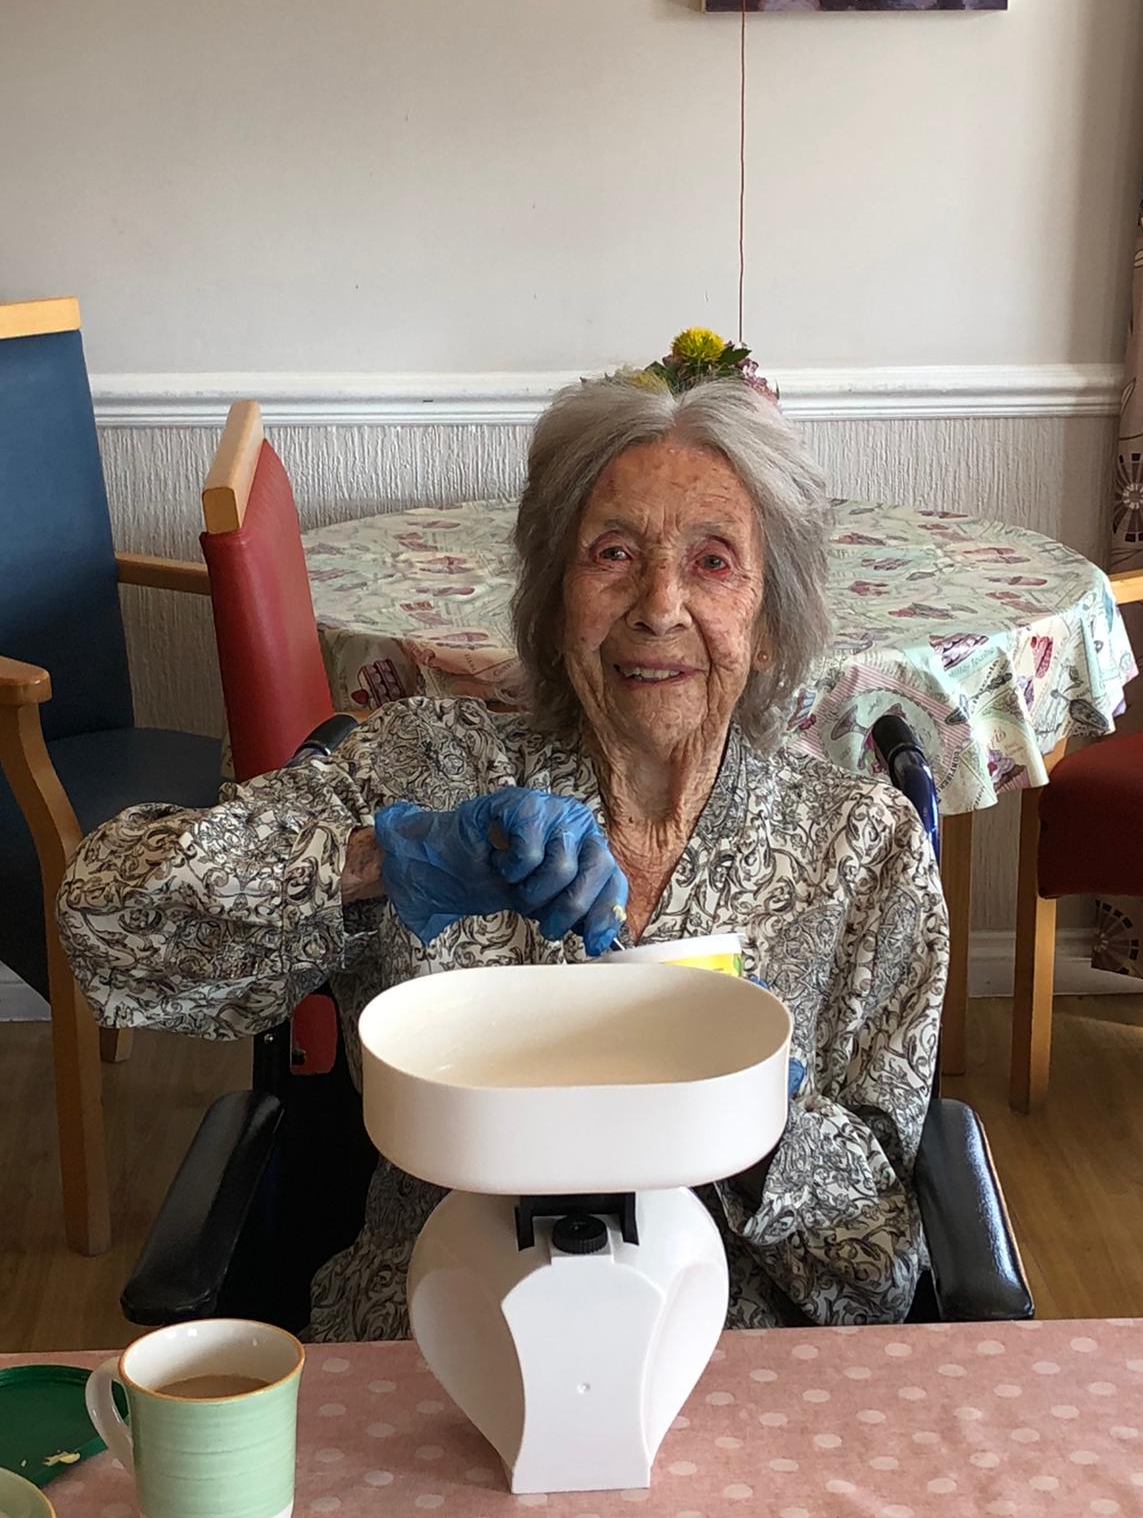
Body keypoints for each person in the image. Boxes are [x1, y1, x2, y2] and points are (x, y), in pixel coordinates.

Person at [58, 378, 947, 1339]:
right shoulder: (427, 768)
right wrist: (381, 863)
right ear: (554, 596)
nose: (659, 606)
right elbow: (105, 922)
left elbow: (879, 1277)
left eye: (712, 561)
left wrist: (758, 1115)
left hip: (729, 1360)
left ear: (770, 621)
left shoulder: (865, 852)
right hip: (432, 1331)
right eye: (613, 554)